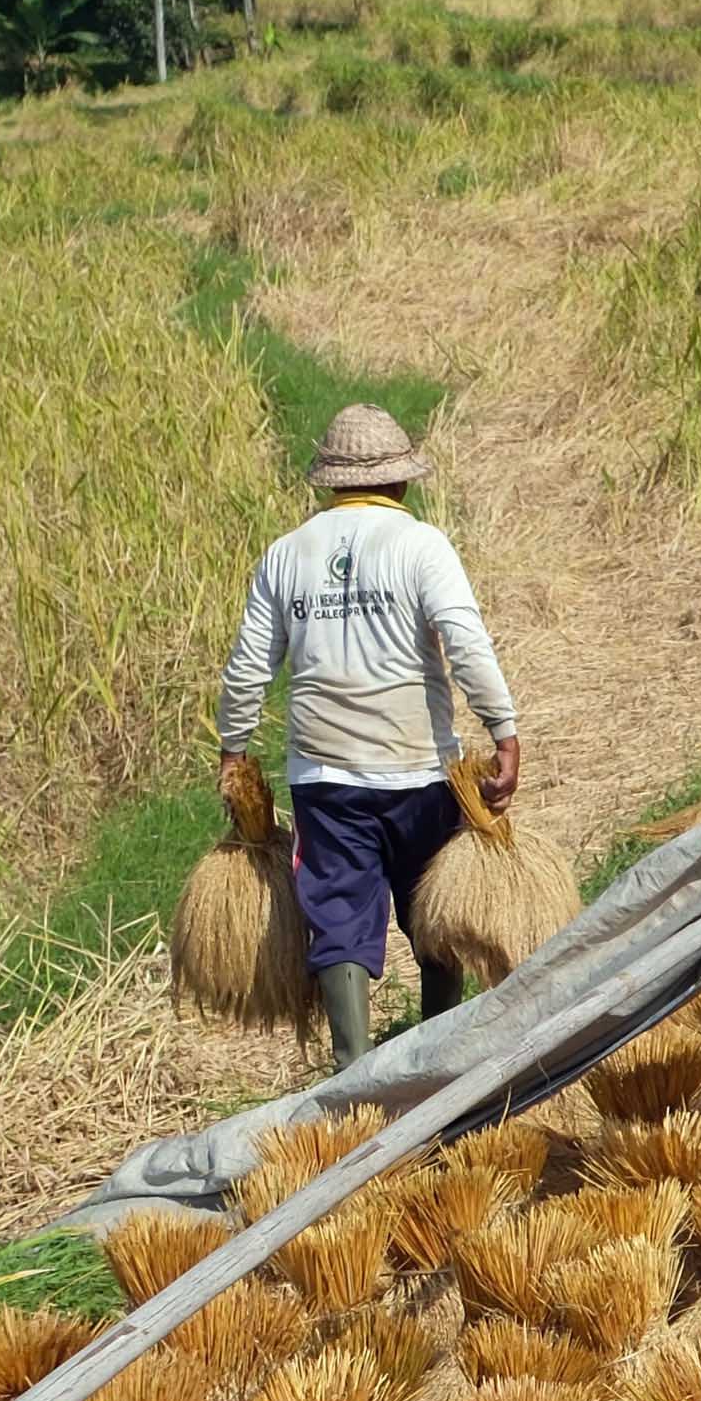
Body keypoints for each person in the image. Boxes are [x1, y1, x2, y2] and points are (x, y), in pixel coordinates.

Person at [217, 403, 522, 1066]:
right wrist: (503, 728)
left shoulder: (286, 554)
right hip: (419, 773)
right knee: (436, 915)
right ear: (402, 482)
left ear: (332, 483)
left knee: (338, 920)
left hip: (325, 780)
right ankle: (440, 1065)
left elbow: (248, 666)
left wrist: (234, 749)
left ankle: (353, 1077)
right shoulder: (421, 546)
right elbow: (466, 644)